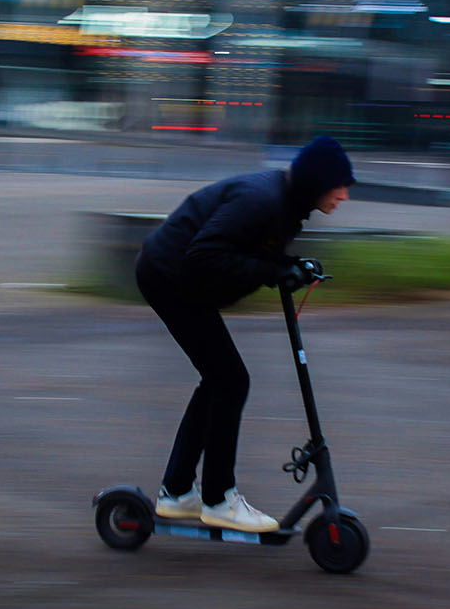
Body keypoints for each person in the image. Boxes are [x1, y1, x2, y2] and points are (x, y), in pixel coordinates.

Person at [134, 136, 355, 533]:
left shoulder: (285, 203)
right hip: (168, 276)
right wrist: (275, 272)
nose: (344, 195)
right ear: (316, 181)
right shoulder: (264, 201)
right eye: (339, 184)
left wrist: (291, 265)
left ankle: (178, 491)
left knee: (222, 380)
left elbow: (249, 249)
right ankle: (219, 499)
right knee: (230, 381)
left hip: (178, 277)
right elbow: (204, 256)